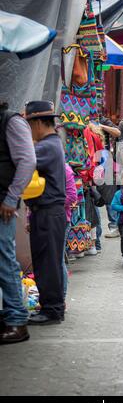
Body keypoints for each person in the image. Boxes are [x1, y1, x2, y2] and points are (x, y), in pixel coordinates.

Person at [24, 100, 66, 325]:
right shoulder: (52, 144)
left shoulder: (45, 147)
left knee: (47, 263)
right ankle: (52, 307)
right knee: (47, 261)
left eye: (29, 125)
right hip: (49, 212)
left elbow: (21, 162)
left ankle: (52, 310)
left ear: (38, 123)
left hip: (49, 213)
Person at [0, 102, 36, 344]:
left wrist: (11, 198)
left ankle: (17, 320)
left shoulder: (10, 121)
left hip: (3, 204)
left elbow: (27, 160)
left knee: (4, 260)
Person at [63, 163, 78, 297]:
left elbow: (72, 196)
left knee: (57, 259)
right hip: (41, 218)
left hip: (60, 218)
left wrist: (53, 203)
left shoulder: (64, 169)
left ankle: (60, 299)